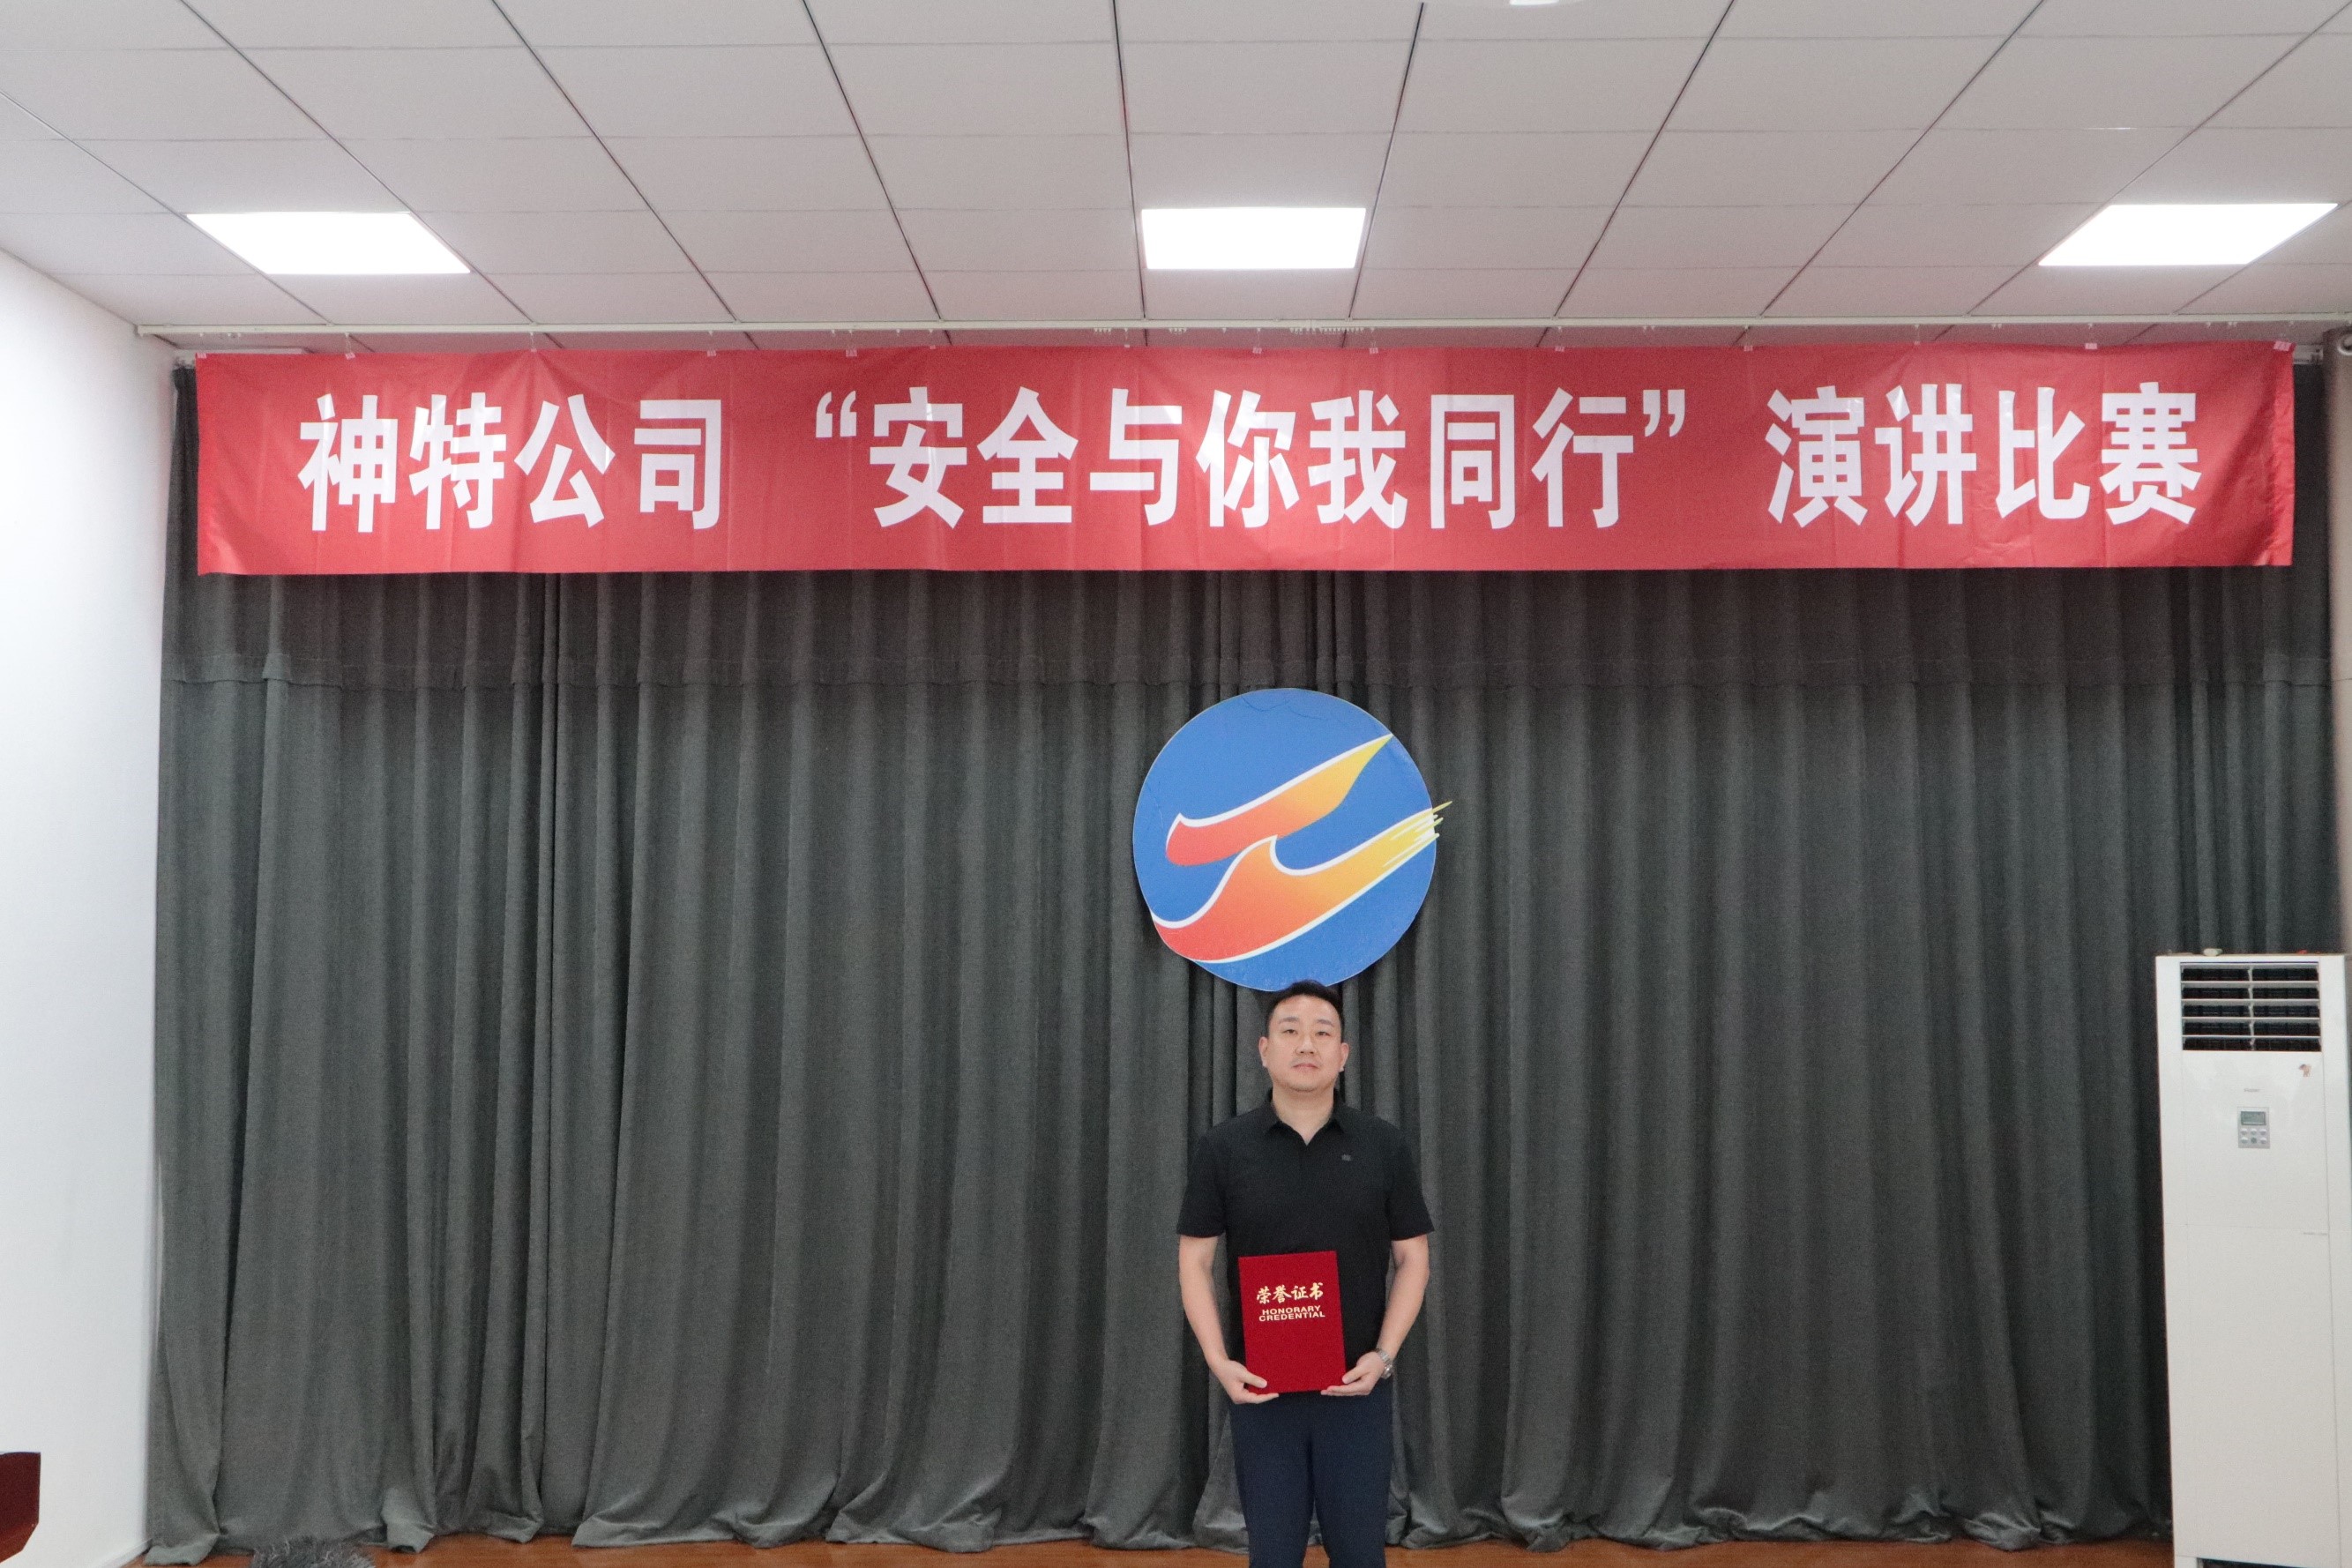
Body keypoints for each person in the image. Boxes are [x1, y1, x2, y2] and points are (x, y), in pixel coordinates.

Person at [1176, 979, 1434, 1568]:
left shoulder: (1382, 1145)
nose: (1306, 1045)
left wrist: (1383, 1356)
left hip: (1357, 1387)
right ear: (1264, 1050)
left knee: (1360, 1554)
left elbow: (1413, 1258)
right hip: (1262, 1389)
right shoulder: (1224, 1148)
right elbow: (1194, 1260)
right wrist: (1218, 1360)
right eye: (1290, 1031)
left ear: (1342, 1055)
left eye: (1322, 1033)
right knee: (1271, 1555)